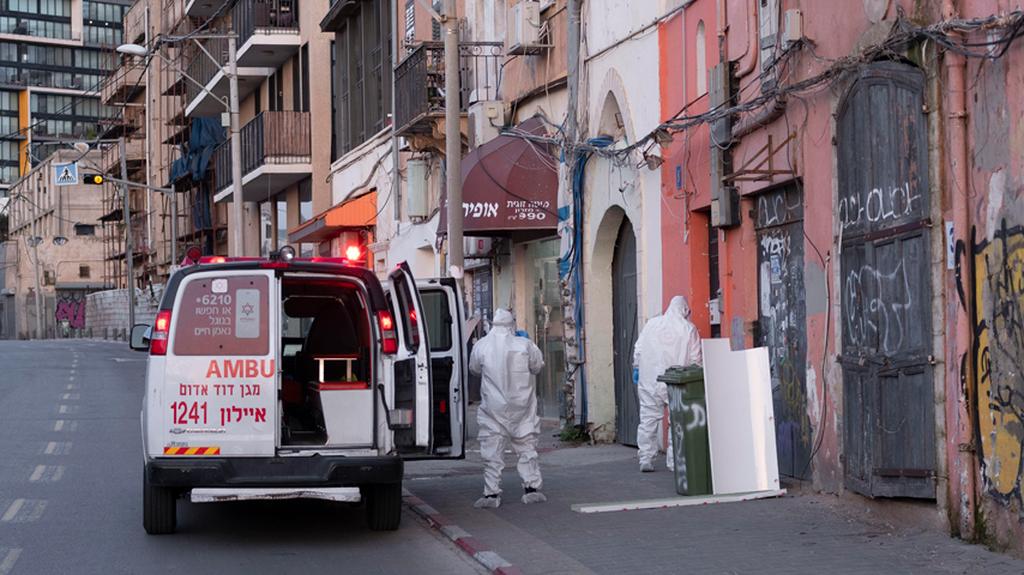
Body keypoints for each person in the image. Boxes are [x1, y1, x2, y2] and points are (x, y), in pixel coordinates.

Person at [469, 309, 546, 508]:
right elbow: (537, 367)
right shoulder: (525, 345)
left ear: (493, 324)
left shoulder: (482, 345)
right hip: (522, 406)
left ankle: (491, 493)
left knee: (492, 452)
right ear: (512, 324)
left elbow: (474, 369)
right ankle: (532, 489)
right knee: (527, 448)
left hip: (493, 409)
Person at [632, 295, 703, 472]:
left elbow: (639, 350)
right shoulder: (688, 328)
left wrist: (637, 368)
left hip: (649, 380)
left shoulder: (651, 324)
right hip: (675, 382)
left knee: (648, 419)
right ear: (685, 310)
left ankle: (646, 458)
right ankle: (674, 461)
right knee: (676, 421)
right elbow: (696, 359)